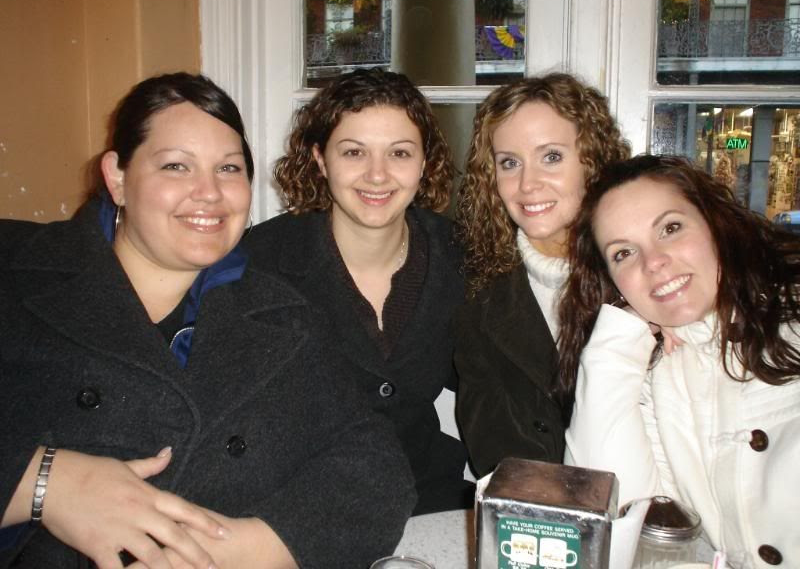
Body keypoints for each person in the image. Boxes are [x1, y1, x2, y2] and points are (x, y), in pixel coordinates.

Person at [0, 72, 415, 569]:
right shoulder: (16, 274)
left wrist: (244, 547)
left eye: (228, 168)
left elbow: (375, 465)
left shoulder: (285, 316)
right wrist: (44, 482)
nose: (209, 193)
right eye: (176, 166)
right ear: (117, 177)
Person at [243, 67, 473, 515]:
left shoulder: (459, 256)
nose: (377, 175)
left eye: (399, 153)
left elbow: (493, 379)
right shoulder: (258, 262)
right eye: (353, 152)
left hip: (426, 497)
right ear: (320, 159)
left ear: (424, 162)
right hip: (295, 509)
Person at [559, 155, 800, 568]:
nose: (653, 262)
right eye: (623, 253)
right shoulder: (657, 372)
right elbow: (617, 526)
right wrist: (616, 344)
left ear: (715, 224)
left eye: (670, 229)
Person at [453, 73, 630, 477]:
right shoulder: (477, 293)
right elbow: (494, 443)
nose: (527, 184)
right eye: (509, 163)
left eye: (551, 157)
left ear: (591, 161)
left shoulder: (641, 271)